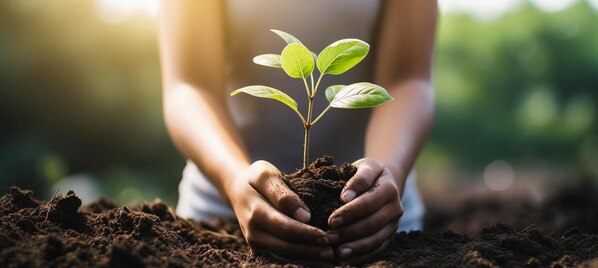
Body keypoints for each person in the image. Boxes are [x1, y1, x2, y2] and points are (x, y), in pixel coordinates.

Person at [158, 0, 437, 264]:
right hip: (220, 223)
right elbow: (190, 87)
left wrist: (388, 173)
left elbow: (407, 79)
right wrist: (234, 181)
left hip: (374, 229)